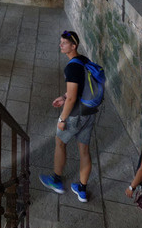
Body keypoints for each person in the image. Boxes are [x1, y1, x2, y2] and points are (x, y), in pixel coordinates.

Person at [40, 29, 101, 201]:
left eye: (64, 43)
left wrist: (62, 119)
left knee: (60, 142)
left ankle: (56, 181)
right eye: (60, 42)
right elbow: (80, 88)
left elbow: (73, 97)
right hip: (89, 113)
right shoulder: (83, 60)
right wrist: (63, 96)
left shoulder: (72, 67)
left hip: (76, 114)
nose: (60, 45)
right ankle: (82, 190)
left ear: (73, 46)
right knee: (84, 150)